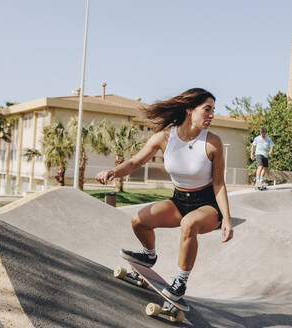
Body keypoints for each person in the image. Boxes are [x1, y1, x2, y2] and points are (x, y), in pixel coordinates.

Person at [95, 88, 233, 301]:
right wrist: (114, 172)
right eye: (207, 109)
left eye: (213, 110)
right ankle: (149, 255)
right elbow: (136, 161)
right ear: (190, 110)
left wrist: (227, 220)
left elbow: (218, 183)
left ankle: (180, 281)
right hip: (179, 201)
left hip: (207, 206)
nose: (212, 115)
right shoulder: (165, 137)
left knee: (189, 224)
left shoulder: (212, 142)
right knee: (138, 221)